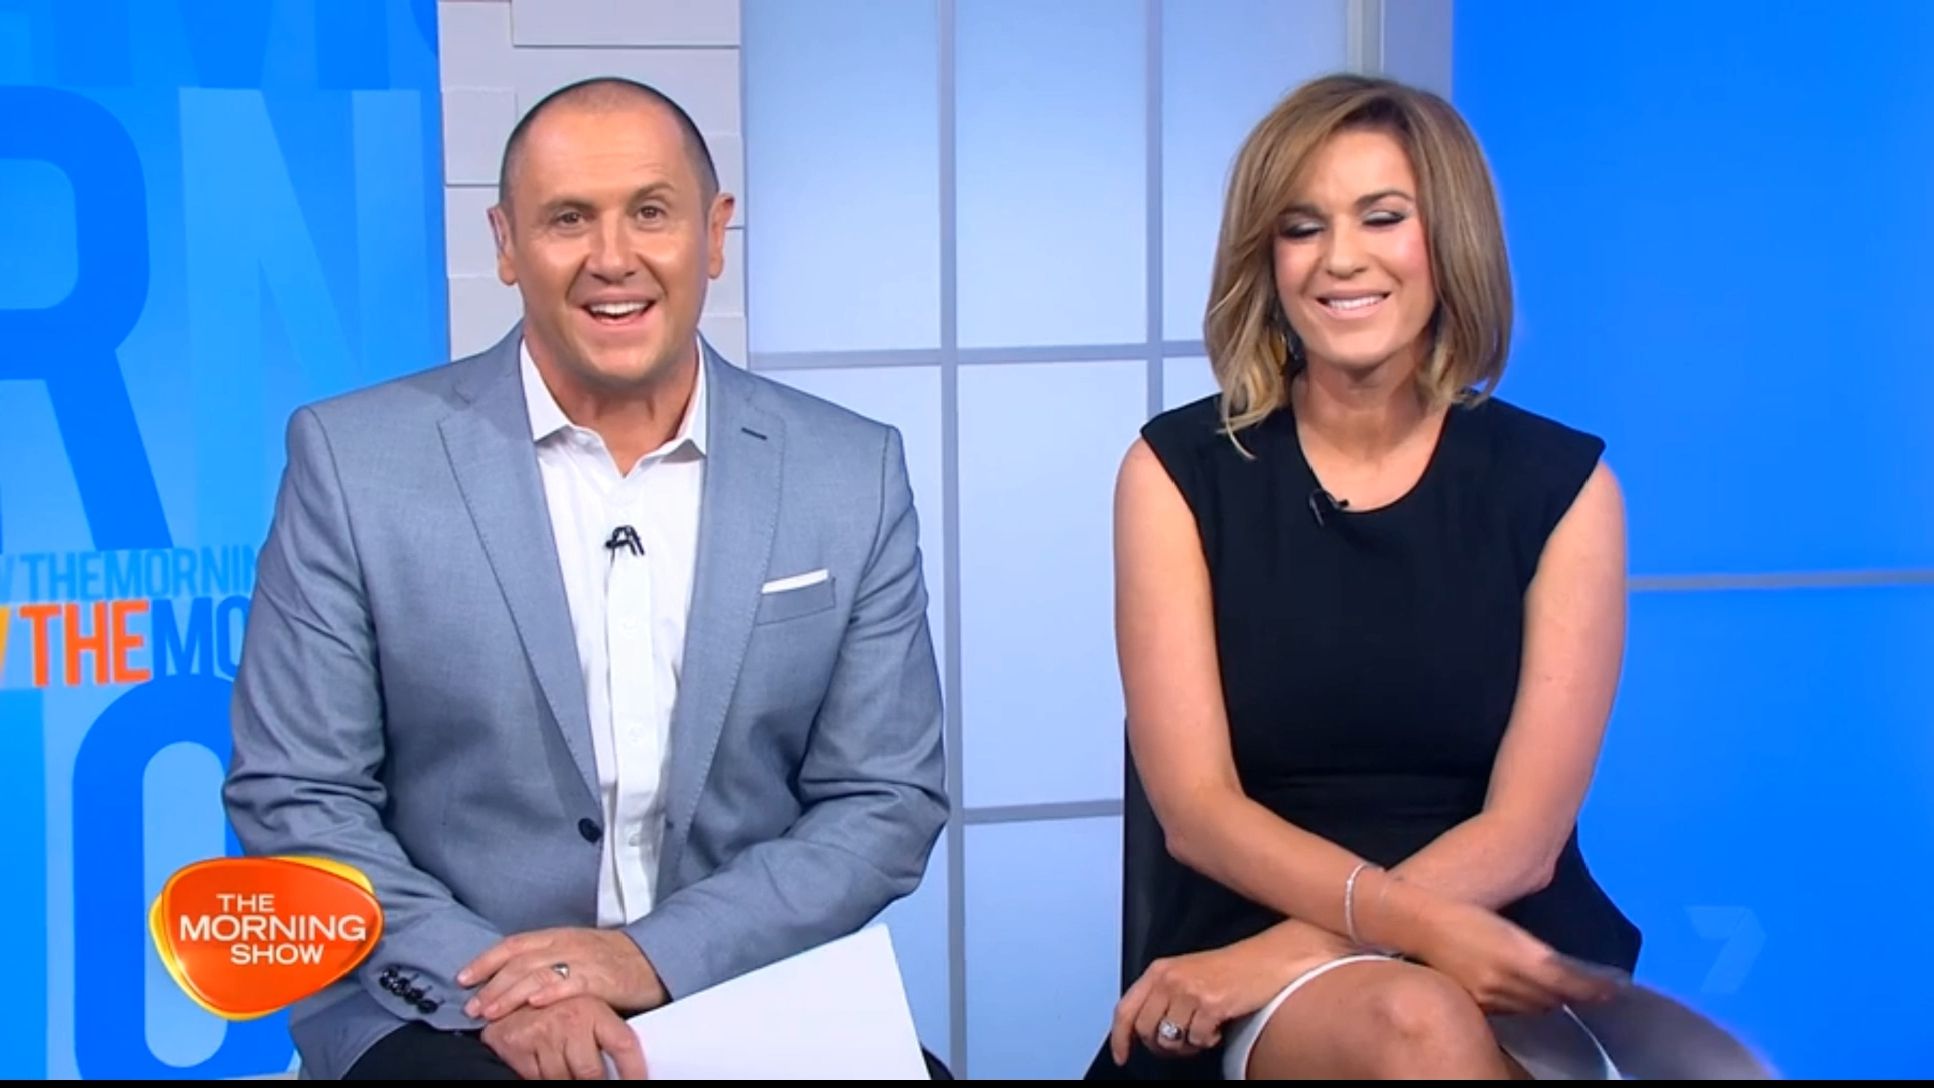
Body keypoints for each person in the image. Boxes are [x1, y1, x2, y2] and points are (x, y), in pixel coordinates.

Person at [223, 77, 948, 1080]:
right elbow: (299, 793)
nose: (613, 257)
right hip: (447, 1003)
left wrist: (650, 957)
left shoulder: (849, 470)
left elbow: (884, 798)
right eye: (568, 219)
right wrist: (509, 989)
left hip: (737, 983)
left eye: (651, 212)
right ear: (506, 243)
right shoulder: (354, 462)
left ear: (714, 232)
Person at [1086, 73, 1642, 1080]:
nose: (1340, 258)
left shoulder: (1563, 488)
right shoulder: (1175, 473)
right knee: (1413, 1022)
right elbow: (1197, 811)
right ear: (1267, 260)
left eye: (1382, 218)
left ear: (1450, 239)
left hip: (1496, 929)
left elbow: (1524, 837)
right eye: (1301, 228)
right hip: (1253, 927)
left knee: (1437, 1015)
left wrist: (1304, 947)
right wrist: (1316, 947)